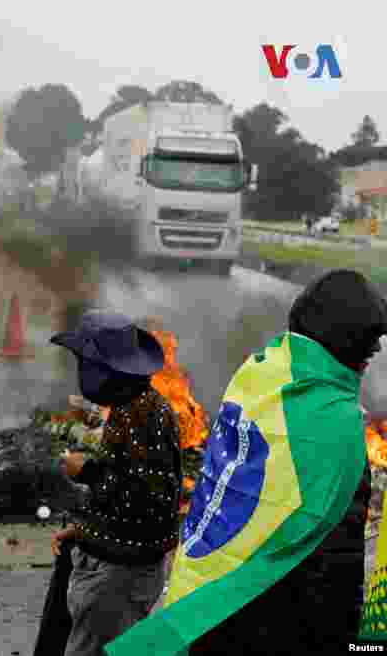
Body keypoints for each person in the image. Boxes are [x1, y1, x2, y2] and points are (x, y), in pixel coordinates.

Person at [107, 268, 386, 656]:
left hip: (203, 596)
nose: (373, 354)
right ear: (350, 345)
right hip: (275, 621)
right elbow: (335, 558)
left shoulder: (258, 375)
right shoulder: (336, 422)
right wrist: (351, 640)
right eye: (370, 345)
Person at [45, 310, 182, 656]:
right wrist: (83, 530)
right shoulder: (136, 405)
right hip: (116, 566)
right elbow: (126, 489)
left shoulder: (142, 416)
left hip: (119, 576)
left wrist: (86, 472)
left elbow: (145, 500)